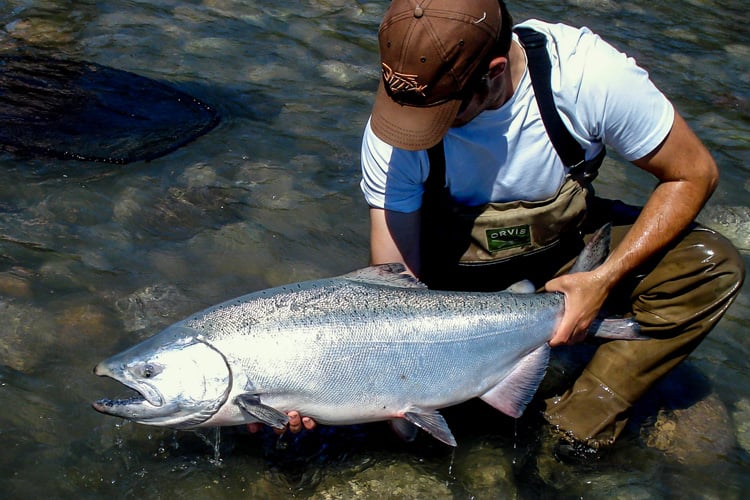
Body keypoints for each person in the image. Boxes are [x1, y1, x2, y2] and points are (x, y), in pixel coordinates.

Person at [262, 0, 745, 458]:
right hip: (448, 284)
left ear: (494, 74)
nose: (413, 130)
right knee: (403, 435)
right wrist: (341, 389)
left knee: (709, 266)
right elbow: (390, 286)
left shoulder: (588, 78)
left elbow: (694, 173)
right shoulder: (396, 130)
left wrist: (600, 282)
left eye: (436, 115)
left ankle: (578, 420)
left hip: (564, 254)